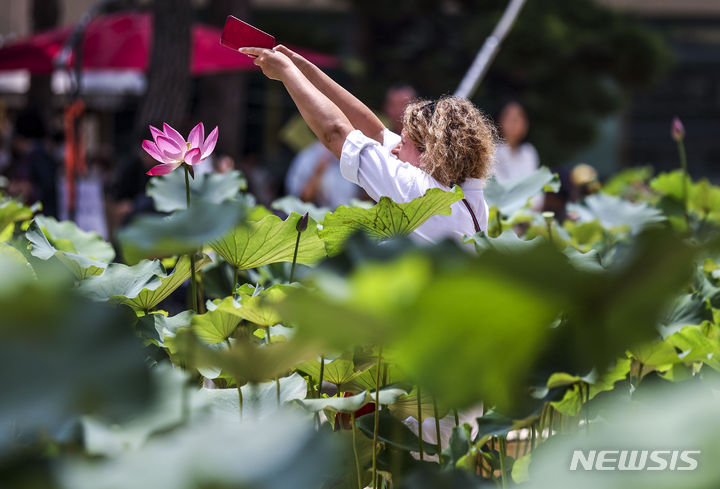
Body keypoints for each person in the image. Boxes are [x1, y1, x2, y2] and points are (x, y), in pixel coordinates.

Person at [240, 45, 496, 244]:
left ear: (430, 155)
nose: (394, 148)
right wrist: (302, 67)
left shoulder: (416, 190)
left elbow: (336, 133)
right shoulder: (466, 192)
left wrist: (287, 74)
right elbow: (376, 132)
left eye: (403, 142)